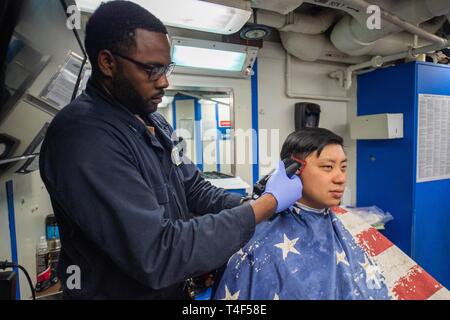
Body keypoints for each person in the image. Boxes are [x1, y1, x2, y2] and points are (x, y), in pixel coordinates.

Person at [38, 1, 302, 299]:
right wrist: (265, 205)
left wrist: (255, 204)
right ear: (107, 62)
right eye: (151, 69)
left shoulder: (154, 121)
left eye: (166, 68)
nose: (164, 81)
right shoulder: (83, 136)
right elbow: (158, 253)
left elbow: (196, 190)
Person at [214, 128, 450, 300]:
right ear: (292, 170)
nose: (340, 177)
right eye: (328, 167)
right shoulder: (260, 245)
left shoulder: (341, 223)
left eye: (343, 167)